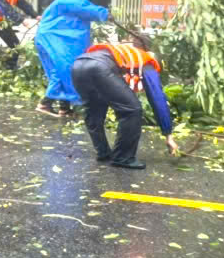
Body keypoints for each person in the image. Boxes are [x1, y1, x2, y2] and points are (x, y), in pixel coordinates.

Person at [71, 39, 178, 169]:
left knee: (94, 109)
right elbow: (157, 98)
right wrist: (168, 135)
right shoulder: (147, 61)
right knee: (132, 110)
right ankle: (123, 157)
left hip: (77, 65)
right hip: (100, 66)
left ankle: (103, 152)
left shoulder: (124, 52)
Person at [34, 0, 108, 116]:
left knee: (62, 71)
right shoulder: (71, 0)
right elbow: (88, 9)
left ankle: (64, 108)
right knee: (67, 69)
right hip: (53, 39)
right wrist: (105, 13)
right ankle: (45, 103)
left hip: (50, 39)